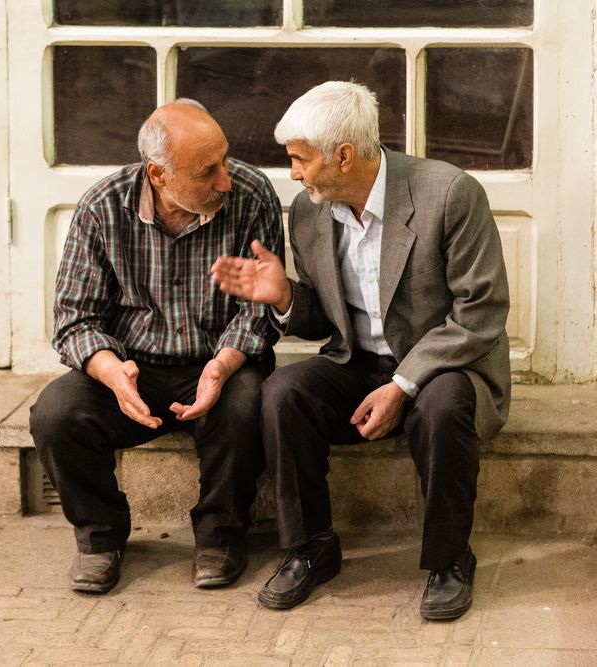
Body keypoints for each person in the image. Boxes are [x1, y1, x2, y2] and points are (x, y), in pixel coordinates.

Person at [212, 81, 510, 620]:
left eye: (301, 159)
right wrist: (283, 296)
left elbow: (480, 313)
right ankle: (310, 549)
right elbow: (325, 318)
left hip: (443, 366)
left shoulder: (449, 193)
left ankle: (449, 560)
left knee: (442, 408)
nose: (295, 173)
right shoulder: (309, 211)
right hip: (358, 363)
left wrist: (403, 384)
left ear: (343, 156)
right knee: (282, 393)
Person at [30, 99, 284, 594]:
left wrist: (222, 366)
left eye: (225, 160)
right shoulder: (103, 206)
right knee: (55, 415)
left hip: (219, 360)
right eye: (207, 171)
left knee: (248, 405)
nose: (225, 180)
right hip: (132, 365)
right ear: (158, 175)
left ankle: (221, 536)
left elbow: (260, 311)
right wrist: (110, 372)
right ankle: (100, 537)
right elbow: (73, 318)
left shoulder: (251, 195)